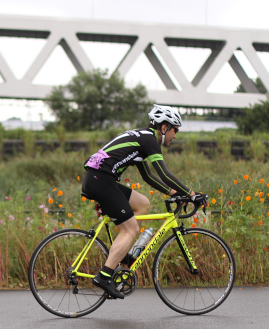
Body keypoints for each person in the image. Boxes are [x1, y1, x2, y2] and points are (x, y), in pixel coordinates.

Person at [81, 104, 206, 299]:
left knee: (142, 204)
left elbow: (147, 176)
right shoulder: (150, 140)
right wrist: (191, 194)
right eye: (175, 129)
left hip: (98, 178)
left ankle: (126, 254)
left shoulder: (142, 138)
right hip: (101, 180)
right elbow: (163, 173)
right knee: (130, 229)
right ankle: (104, 276)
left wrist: (173, 192)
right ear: (164, 127)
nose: (176, 135)